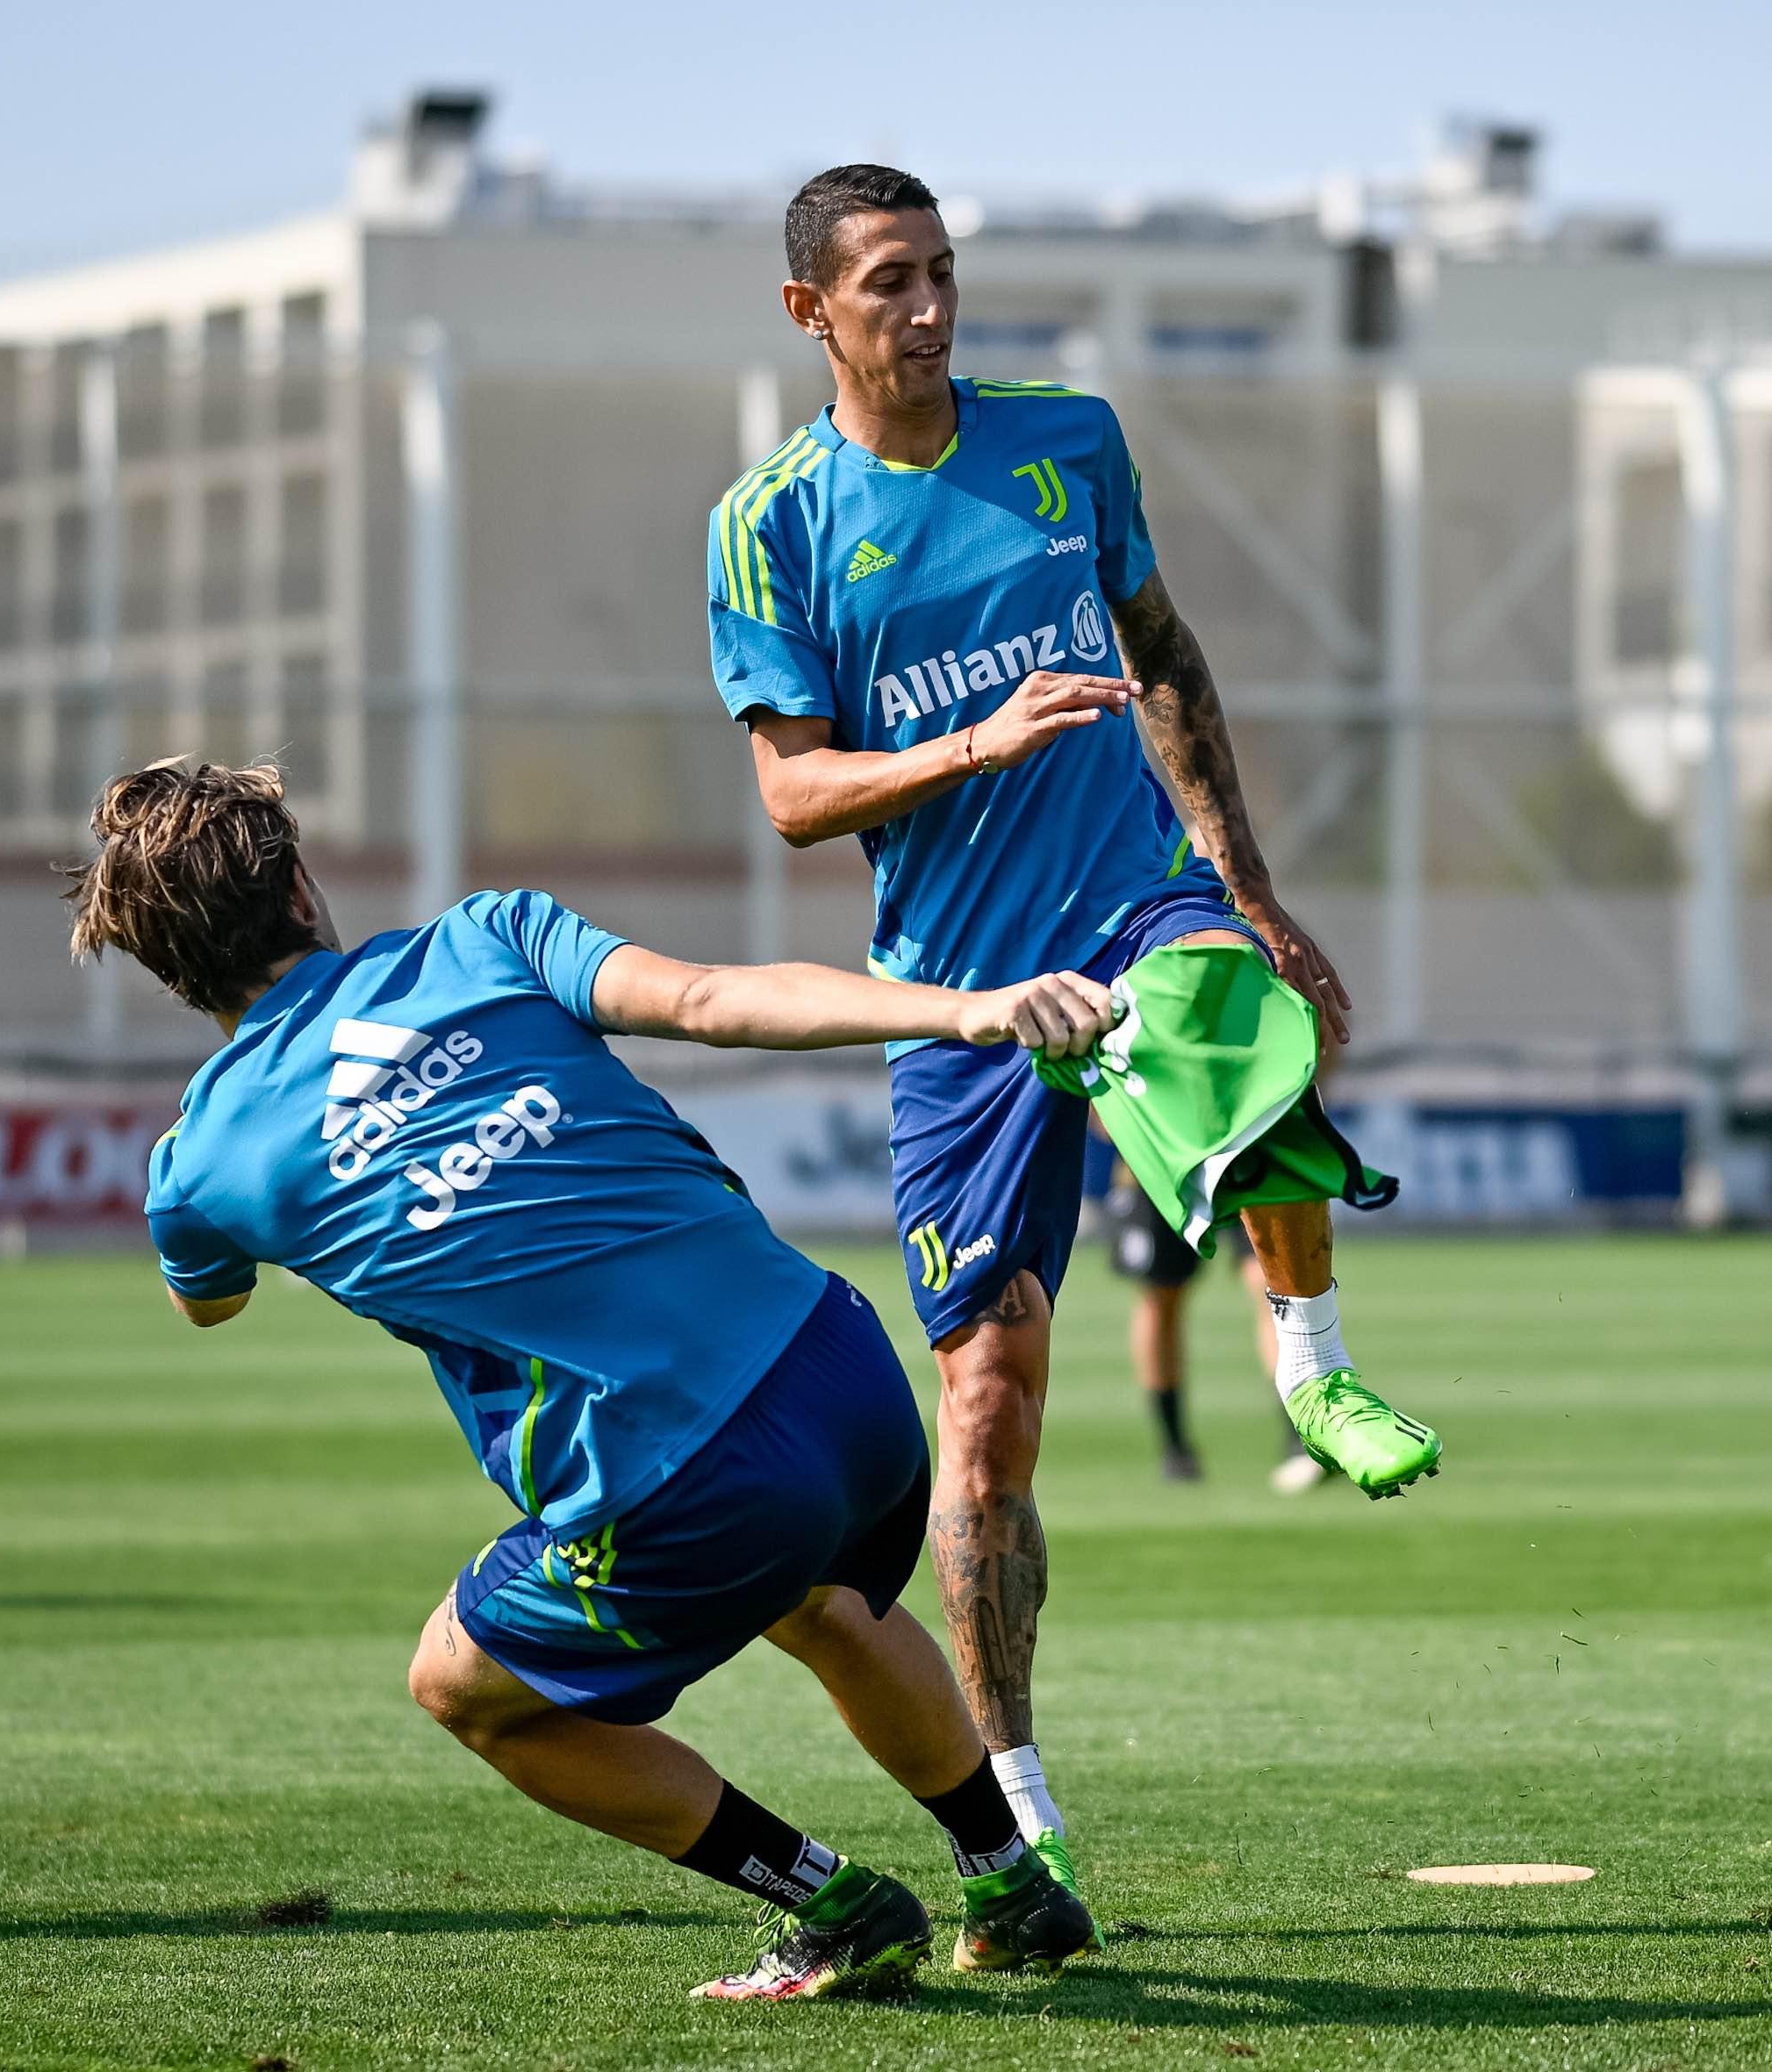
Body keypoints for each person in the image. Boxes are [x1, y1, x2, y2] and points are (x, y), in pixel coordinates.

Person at [66, 759, 1115, 1999]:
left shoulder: (199, 1166)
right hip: (845, 1372)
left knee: (461, 1686)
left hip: (688, 1480)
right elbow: (718, 998)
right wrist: (967, 1011)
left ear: (164, 970)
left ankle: (833, 1903)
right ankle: (1009, 1878)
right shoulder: (485, 938)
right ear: (298, 884)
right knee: (819, 1597)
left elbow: (210, 1298)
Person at [707, 162, 1439, 1906]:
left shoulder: (1067, 441)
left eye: (944, 272)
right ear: (810, 311)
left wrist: (1240, 882)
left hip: (1130, 902)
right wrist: (974, 744)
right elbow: (794, 791)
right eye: (888, 282)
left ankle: (1312, 1364)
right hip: (955, 994)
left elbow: (1166, 652)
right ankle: (1013, 1791)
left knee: (1240, 1023)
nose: (930, 308)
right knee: (986, 1400)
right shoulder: (773, 521)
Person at [1100, 1154, 1324, 1490]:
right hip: (1162, 1149)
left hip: (1242, 1143)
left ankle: (1301, 1436)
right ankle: (1174, 1447)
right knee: (1161, 1293)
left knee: (1270, 1283)